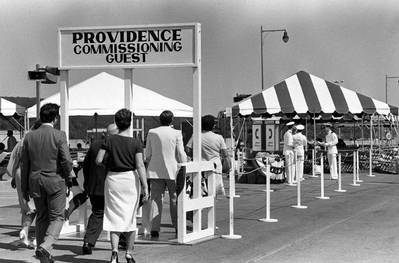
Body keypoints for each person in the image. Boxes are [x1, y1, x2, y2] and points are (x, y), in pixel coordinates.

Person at [21, 103, 73, 263]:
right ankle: (46, 245)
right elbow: (66, 160)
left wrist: (24, 188)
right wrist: (69, 178)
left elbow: (25, 164)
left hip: (35, 181)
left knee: (42, 216)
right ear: (55, 118)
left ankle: (42, 255)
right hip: (55, 181)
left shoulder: (29, 136)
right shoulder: (59, 135)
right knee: (57, 217)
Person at [96, 109, 148, 263]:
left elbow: (99, 160)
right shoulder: (136, 142)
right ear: (130, 122)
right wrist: (145, 187)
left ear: (116, 122)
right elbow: (140, 165)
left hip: (113, 179)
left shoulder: (109, 140)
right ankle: (129, 254)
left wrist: (110, 161)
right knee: (130, 218)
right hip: (130, 180)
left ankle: (113, 253)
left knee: (113, 217)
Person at [145, 110, 187, 238]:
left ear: (159, 119)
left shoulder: (152, 132)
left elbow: (148, 153)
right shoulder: (176, 133)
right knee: (174, 198)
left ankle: (155, 228)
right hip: (173, 170)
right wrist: (185, 162)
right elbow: (180, 153)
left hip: (155, 170)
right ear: (172, 120)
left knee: (156, 199)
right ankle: (177, 226)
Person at [81, 123, 118, 255]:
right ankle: (123, 241)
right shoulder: (117, 146)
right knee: (119, 213)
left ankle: (88, 242)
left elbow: (86, 165)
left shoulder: (95, 145)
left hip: (95, 186)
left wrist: (86, 182)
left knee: (97, 213)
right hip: (112, 186)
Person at [6, 121, 42, 248]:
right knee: (40, 207)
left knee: (26, 207)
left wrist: (15, 177)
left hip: (19, 174)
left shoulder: (20, 142)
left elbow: (10, 168)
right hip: (34, 174)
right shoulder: (37, 141)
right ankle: (38, 238)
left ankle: (24, 232)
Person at [186, 114, 230, 197]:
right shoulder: (219, 137)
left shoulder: (196, 136)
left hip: (200, 166)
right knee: (213, 192)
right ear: (213, 125)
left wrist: (194, 155)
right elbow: (225, 153)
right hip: (215, 167)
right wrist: (228, 165)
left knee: (200, 192)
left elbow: (187, 149)